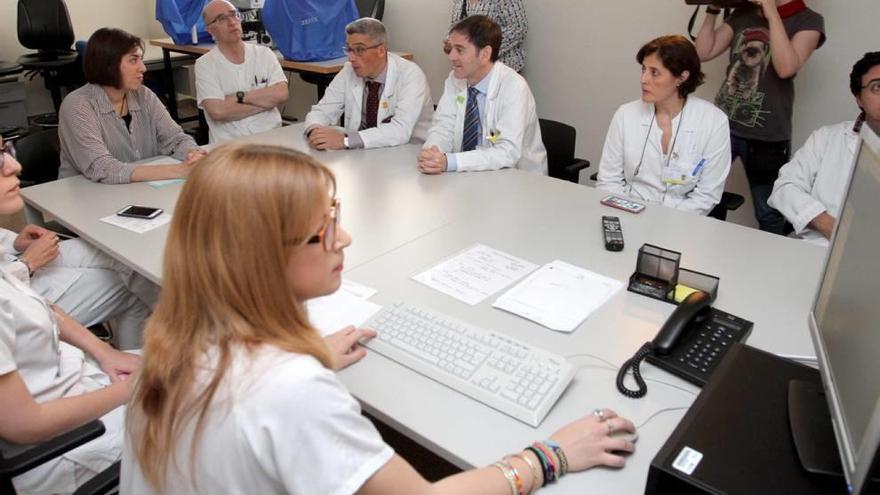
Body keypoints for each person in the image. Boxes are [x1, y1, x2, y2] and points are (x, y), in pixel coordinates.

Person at [122, 143, 636, 494]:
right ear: (262, 256)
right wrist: (553, 455)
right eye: (323, 229)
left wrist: (310, 354)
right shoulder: (290, 390)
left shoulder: (170, 344)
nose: (343, 239)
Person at [0, 136, 140, 495]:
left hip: (76, 380)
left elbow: (39, 307)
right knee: (223, 406)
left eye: (5, 150)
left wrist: (105, 353)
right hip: (68, 446)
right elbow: (25, 426)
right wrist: (129, 389)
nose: (14, 166)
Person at [694, 0, 825, 232]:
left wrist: (771, 11)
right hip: (722, 126)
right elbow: (703, 52)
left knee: (769, 211)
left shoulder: (809, 20)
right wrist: (713, 8)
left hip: (767, 135)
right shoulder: (743, 13)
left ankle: (772, 265)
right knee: (697, 194)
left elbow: (786, 68)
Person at [597, 36, 731, 215]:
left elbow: (706, 195)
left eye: (654, 72)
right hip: (628, 213)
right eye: (643, 69)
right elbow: (608, 180)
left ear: (682, 77)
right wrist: (628, 216)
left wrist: (664, 223)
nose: (643, 79)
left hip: (683, 221)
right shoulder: (626, 115)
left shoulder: (714, 121)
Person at [59, 28, 206, 184]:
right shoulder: (77, 105)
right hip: (85, 195)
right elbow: (101, 167)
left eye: (140, 59)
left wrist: (193, 154)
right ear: (108, 64)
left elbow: (175, 139)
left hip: (136, 189)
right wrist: (179, 170)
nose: (143, 68)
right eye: (133, 60)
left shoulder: (144, 95)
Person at [768, 52, 880, 245]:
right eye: (877, 87)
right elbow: (785, 188)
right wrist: (830, 226)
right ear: (858, 98)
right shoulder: (826, 138)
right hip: (819, 249)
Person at [419, 15, 546, 175]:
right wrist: (433, 153)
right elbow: (443, 126)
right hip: (469, 176)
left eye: (459, 49)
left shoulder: (514, 86)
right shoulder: (455, 80)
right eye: (451, 48)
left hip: (517, 181)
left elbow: (506, 152)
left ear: (485, 54)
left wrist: (450, 161)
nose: (451, 56)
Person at [304, 18, 433, 151]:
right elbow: (322, 110)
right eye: (348, 49)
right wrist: (315, 131)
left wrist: (346, 140)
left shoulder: (410, 74)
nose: (351, 58)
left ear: (381, 50)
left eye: (359, 50)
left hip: (408, 153)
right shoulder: (349, 70)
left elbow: (400, 131)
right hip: (362, 154)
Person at [196, 0, 289, 144]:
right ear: (210, 29)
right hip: (229, 146)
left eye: (234, 15)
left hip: (271, 139)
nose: (232, 22)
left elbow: (281, 94)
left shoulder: (264, 54)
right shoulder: (205, 64)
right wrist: (266, 102)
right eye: (222, 18)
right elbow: (218, 111)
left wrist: (238, 97)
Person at [448, 0, 528, 73]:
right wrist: (450, 42)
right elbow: (455, 28)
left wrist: (480, 46)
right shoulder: (459, 2)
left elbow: (518, 28)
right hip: (472, 71)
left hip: (503, 69)